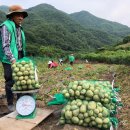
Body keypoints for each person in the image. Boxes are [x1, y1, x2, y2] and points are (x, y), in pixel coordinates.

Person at [0, 5, 28, 112]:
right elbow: (5, 45)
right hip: (9, 58)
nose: (21, 18)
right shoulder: (5, 26)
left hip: (20, 56)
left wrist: (22, 58)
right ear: (12, 16)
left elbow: (20, 45)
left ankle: (20, 100)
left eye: (22, 16)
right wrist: (12, 59)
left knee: (20, 80)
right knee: (10, 80)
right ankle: (10, 103)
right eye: (18, 15)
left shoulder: (20, 28)